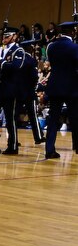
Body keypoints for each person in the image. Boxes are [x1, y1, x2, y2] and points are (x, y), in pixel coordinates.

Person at [0, 26, 25, 155]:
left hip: (10, 90)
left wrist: (0, 62)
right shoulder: (1, 50)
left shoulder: (18, 51)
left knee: (10, 119)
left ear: (14, 36)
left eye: (7, 36)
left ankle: (12, 146)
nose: (5, 38)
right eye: (4, 36)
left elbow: (15, 67)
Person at [44, 20, 78, 159]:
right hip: (71, 87)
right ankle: (77, 146)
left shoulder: (51, 47)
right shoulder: (74, 47)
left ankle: (49, 149)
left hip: (55, 86)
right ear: (73, 32)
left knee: (53, 119)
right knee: (75, 118)